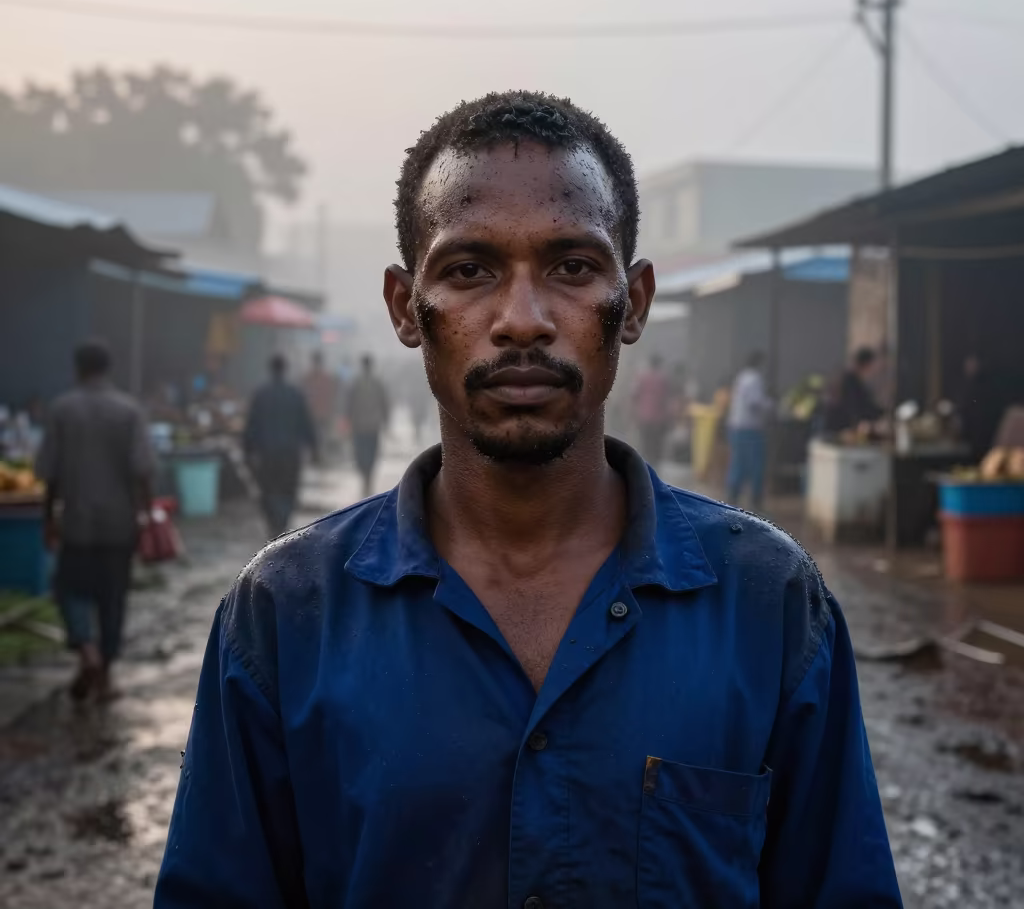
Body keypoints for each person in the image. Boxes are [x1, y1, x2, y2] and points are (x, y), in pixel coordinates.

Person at [157, 92, 902, 908]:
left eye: (573, 268)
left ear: (636, 303)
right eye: (469, 270)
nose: (522, 320)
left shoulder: (769, 603)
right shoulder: (285, 617)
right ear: (408, 308)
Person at [35, 340, 154, 702]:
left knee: (68, 588)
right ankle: (105, 673)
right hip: (120, 524)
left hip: (77, 522)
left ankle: (86, 649)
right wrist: (146, 514)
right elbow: (143, 470)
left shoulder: (62, 409)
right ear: (108, 369)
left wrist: (49, 519)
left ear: (78, 369)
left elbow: (48, 473)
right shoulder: (129, 411)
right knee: (113, 597)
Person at [243, 354, 317, 539]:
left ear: (270, 369)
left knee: (268, 488)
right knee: (288, 489)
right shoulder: (295, 394)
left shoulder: (260, 395)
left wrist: (247, 450)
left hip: (267, 453)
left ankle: (273, 524)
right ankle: (282, 522)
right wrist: (314, 447)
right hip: (290, 453)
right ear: (285, 369)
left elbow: (251, 425)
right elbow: (306, 423)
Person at [726, 351, 771, 508]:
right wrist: (771, 405)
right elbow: (754, 402)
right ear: (759, 363)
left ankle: (733, 496)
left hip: (736, 427)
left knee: (738, 463)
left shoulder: (742, 377)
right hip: (750, 429)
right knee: (755, 465)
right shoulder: (754, 378)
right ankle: (756, 500)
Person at [346, 353, 390, 497]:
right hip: (373, 426)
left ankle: (366, 476)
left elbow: (349, 404)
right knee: (371, 453)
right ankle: (367, 477)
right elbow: (385, 404)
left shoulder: (356, 382)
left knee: (361, 453)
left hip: (359, 425)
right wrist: (385, 421)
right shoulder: (377, 383)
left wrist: (348, 419)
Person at [822, 346, 885, 435]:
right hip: (838, 430)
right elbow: (857, 406)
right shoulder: (850, 381)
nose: (874, 370)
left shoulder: (848, 378)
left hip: (835, 428)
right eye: (873, 366)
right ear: (866, 364)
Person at [630, 352, 672, 465]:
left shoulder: (642, 377)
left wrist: (634, 412)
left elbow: (634, 395)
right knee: (655, 444)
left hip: (644, 416)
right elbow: (666, 398)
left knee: (645, 442)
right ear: (659, 364)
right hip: (658, 418)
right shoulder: (663, 379)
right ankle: (654, 465)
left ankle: (644, 464)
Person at [302, 350, 341, 462]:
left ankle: (316, 456)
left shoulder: (308, 379)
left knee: (316, 436)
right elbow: (332, 396)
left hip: (315, 414)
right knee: (320, 436)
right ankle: (318, 456)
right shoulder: (326, 378)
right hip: (322, 414)